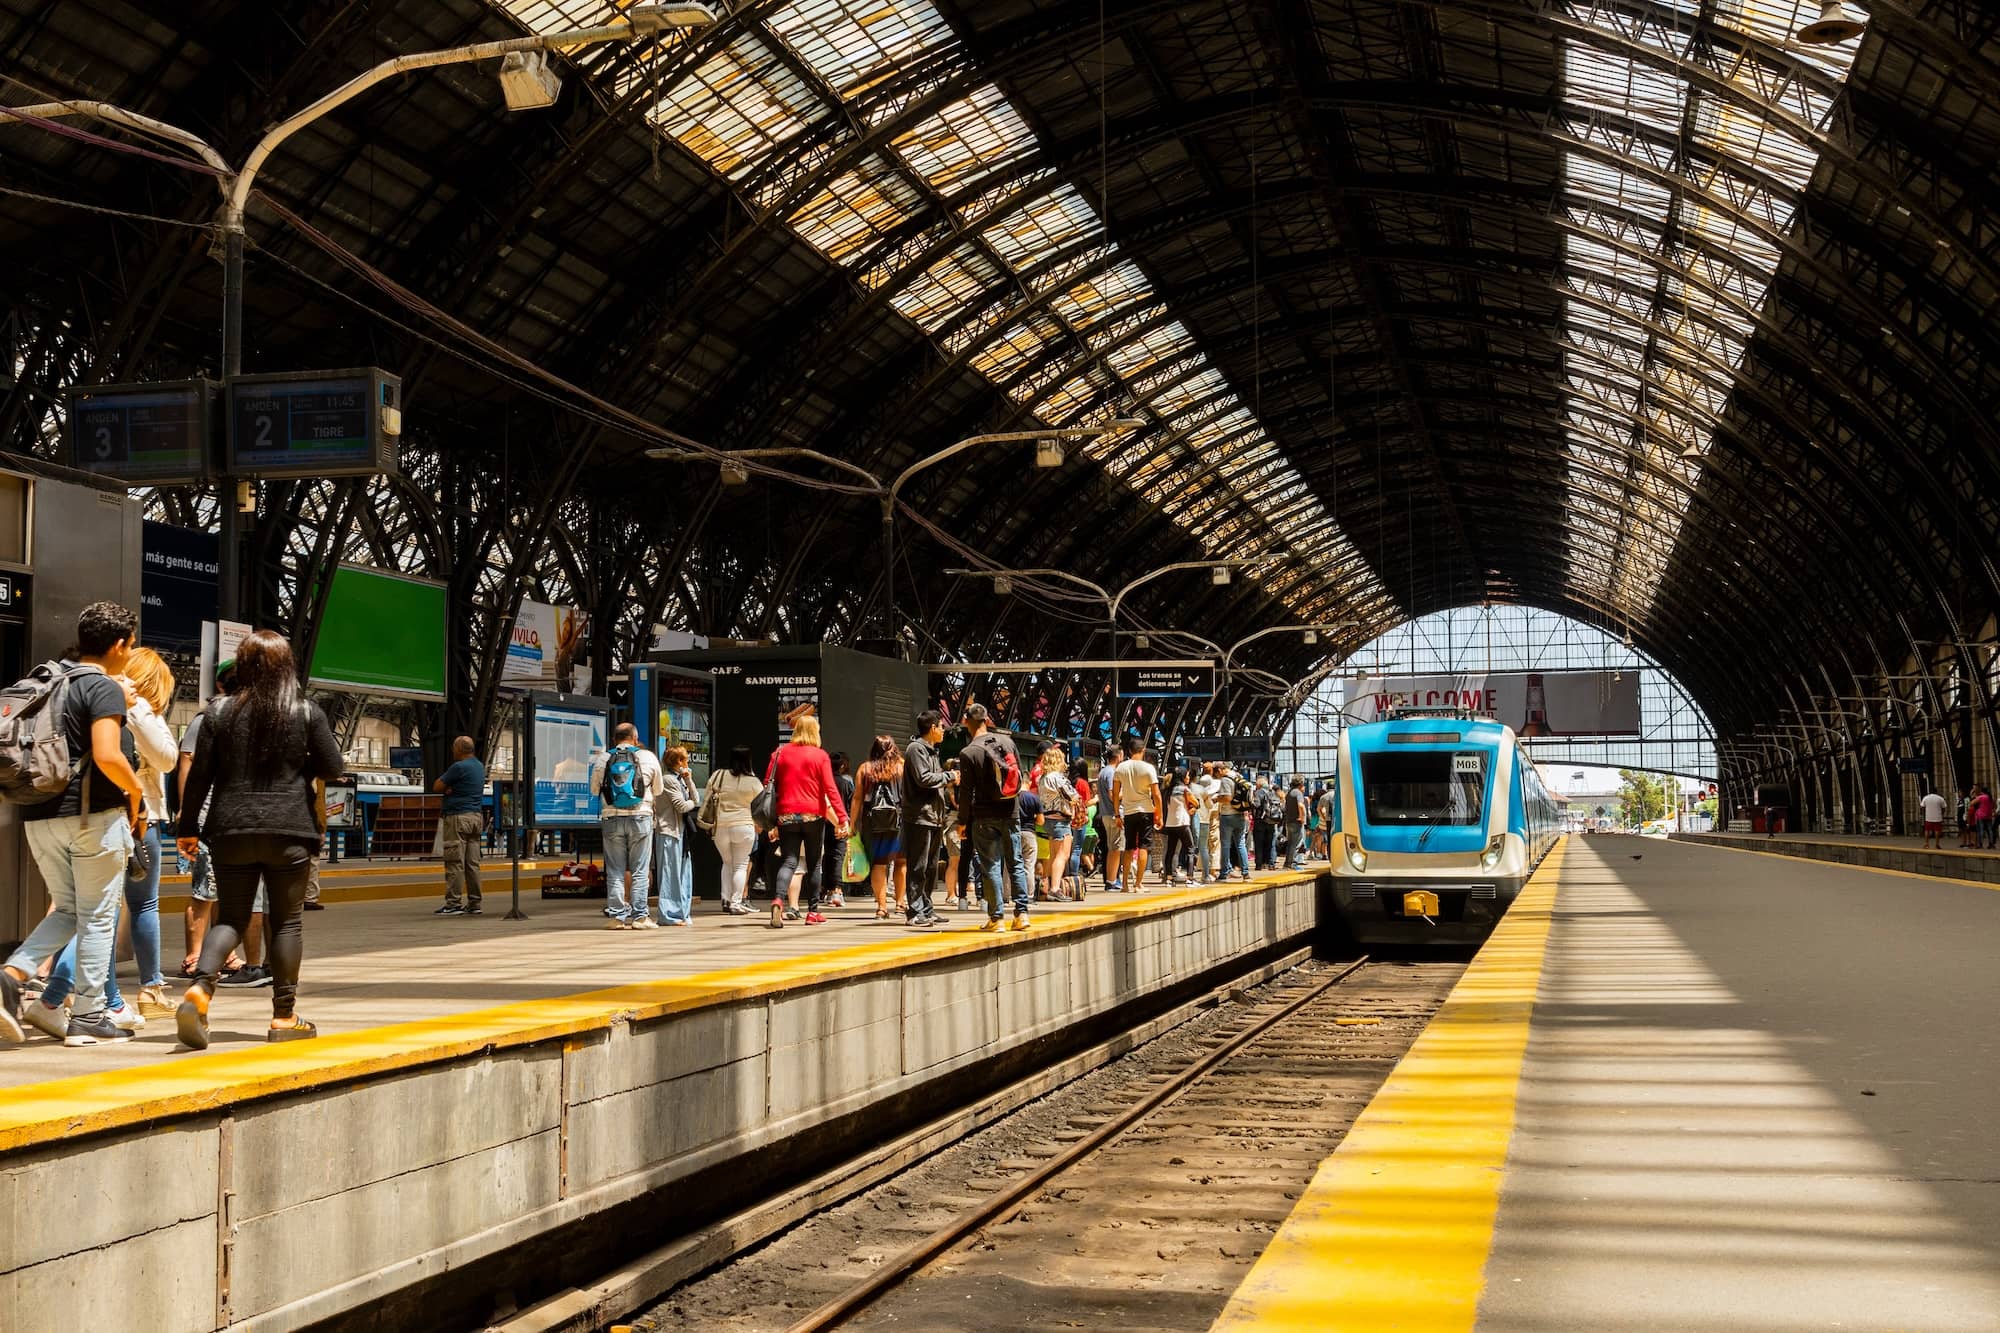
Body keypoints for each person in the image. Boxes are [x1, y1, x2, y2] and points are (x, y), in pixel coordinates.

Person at [173, 628, 344, 1049]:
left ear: (244, 666)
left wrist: (187, 828)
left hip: (230, 829)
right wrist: (301, 767)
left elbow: (199, 776)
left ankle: (200, 991)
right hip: (289, 831)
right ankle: (284, 1017)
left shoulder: (218, 713)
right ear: (287, 667)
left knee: (230, 918)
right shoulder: (305, 712)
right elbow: (334, 767)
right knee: (285, 921)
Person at [0, 602, 147, 1048]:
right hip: (91, 818)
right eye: (130, 645)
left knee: (68, 910)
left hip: (37, 813)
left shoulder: (46, 678)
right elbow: (106, 754)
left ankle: (10, 976)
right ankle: (88, 1015)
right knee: (98, 917)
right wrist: (135, 792)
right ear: (120, 645)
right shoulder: (102, 687)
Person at [31, 647, 180, 1030]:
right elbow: (166, 757)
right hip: (127, 817)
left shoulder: (84, 694)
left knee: (93, 913)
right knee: (111, 912)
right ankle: (99, 996)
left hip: (84, 815)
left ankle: (98, 999)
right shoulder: (125, 704)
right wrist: (147, 711)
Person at [765, 715, 848, 926]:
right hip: (813, 815)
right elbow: (830, 789)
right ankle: (812, 912)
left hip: (786, 815)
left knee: (789, 861)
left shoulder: (779, 754)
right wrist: (841, 817)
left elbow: (768, 785)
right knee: (814, 864)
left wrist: (772, 822)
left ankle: (778, 899)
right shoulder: (819, 756)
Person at [957, 704, 1029, 931]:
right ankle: (1022, 914)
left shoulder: (968, 752)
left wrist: (962, 822)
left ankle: (997, 919)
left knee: (991, 866)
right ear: (987, 720)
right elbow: (1020, 777)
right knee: (1016, 863)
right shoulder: (1007, 742)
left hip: (984, 816)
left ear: (966, 721)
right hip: (1011, 811)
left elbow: (966, 791)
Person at [589, 722, 663, 928]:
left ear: (614, 739)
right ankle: (640, 917)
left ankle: (616, 917)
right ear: (635, 739)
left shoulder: (604, 758)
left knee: (615, 870)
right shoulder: (648, 757)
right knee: (640, 869)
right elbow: (658, 790)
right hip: (641, 816)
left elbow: (595, 790)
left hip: (611, 817)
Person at [900, 711, 951, 927]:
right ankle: (914, 911)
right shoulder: (915, 749)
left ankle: (927, 908)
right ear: (932, 727)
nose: (943, 731)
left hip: (934, 817)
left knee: (931, 867)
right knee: (918, 866)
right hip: (919, 817)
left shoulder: (931, 751)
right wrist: (949, 776)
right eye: (941, 726)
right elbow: (923, 779)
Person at [702, 746, 763, 915]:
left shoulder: (718, 775)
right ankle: (736, 902)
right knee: (741, 865)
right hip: (744, 826)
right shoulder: (753, 782)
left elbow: (707, 795)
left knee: (727, 863)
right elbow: (761, 806)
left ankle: (725, 899)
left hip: (721, 826)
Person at [853, 736, 908, 920]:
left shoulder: (865, 768)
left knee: (879, 864)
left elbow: (858, 799)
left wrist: (853, 823)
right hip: (899, 820)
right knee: (901, 863)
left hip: (873, 822)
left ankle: (881, 907)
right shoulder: (902, 767)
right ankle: (900, 904)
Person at [433, 736, 488, 917]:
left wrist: (448, 788)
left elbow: (437, 786)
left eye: (453, 747)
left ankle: (453, 904)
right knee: (472, 863)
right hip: (476, 818)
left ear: (458, 748)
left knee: (454, 861)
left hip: (458, 817)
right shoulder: (479, 766)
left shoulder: (458, 767)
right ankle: (474, 903)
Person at [654, 746, 698, 926]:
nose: (687, 762)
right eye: (685, 759)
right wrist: (692, 801)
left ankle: (681, 912)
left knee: (683, 874)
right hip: (669, 831)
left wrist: (689, 782)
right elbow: (683, 805)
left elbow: (695, 799)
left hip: (679, 832)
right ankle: (668, 914)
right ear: (678, 762)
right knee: (669, 874)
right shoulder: (668, 780)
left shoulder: (679, 780)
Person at [1113, 737, 1162, 892]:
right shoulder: (1148, 768)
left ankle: (1125, 885)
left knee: (1128, 847)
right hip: (1146, 811)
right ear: (1143, 751)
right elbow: (1156, 794)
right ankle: (1138, 884)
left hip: (1128, 812)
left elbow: (1115, 793)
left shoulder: (1121, 768)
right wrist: (1159, 814)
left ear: (1129, 751)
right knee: (1143, 846)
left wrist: (1117, 814)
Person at [1033, 746, 1076, 902]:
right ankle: (1055, 888)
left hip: (1048, 819)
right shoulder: (1058, 778)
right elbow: (1072, 795)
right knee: (1062, 855)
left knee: (1053, 854)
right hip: (1060, 819)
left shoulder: (1043, 779)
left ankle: (1049, 884)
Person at [821, 751, 855, 911]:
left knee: (826, 856)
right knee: (838, 856)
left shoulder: (824, 781)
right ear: (842, 766)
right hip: (841, 822)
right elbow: (850, 803)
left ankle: (827, 891)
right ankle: (837, 890)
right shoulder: (846, 782)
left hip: (824, 821)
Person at [1159, 767, 1193, 886]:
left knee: (1170, 851)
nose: (1188, 777)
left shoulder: (1167, 790)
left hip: (1170, 824)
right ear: (1182, 777)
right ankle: (1190, 879)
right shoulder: (1184, 789)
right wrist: (1195, 806)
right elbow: (1195, 802)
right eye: (1187, 775)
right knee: (1190, 849)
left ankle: (1169, 879)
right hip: (1183, 823)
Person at [1215, 765, 1251, 881]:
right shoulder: (1238, 776)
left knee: (1225, 845)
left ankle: (1224, 873)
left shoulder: (1226, 779)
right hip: (1240, 814)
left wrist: (1216, 799)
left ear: (1220, 770)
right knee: (1241, 844)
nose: (1217, 776)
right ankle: (1245, 873)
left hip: (1228, 815)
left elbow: (1227, 798)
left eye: (1217, 773)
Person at [1095, 753, 1125, 890]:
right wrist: (1127, 792)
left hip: (1105, 813)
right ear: (1119, 756)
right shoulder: (1112, 772)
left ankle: (1111, 879)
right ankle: (1111, 881)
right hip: (1114, 814)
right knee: (1115, 849)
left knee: (1112, 848)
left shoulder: (1102, 772)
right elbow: (1113, 795)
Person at [1190, 761, 1217, 884]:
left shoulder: (1185, 789)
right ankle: (1205, 875)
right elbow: (1209, 805)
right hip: (1204, 820)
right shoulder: (1201, 790)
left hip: (1187, 821)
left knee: (1187, 849)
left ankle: (1187, 875)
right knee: (1203, 848)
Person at [1283, 776, 1309, 870]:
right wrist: (1301, 817)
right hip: (1296, 822)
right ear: (1301, 784)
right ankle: (1292, 864)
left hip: (1289, 821)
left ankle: (1287, 863)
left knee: (1291, 843)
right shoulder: (1298, 793)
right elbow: (1301, 806)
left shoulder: (1289, 792)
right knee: (1296, 843)